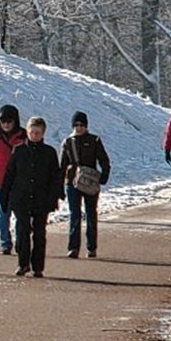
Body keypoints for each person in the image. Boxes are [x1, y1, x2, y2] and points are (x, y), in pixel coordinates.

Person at [0, 116, 62, 277]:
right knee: (22, 232)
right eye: (32, 132)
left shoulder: (49, 152)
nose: (34, 135)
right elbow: (9, 175)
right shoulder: (18, 150)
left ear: (43, 133)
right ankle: (23, 264)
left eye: (38, 132)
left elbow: (55, 177)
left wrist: (54, 197)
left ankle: (38, 267)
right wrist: (5, 196)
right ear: (27, 132)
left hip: (41, 199)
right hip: (21, 198)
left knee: (40, 234)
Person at [59, 111, 111, 259]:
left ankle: (91, 247)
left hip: (90, 182)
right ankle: (73, 248)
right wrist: (60, 187)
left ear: (86, 125)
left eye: (82, 125)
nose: (79, 127)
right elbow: (62, 166)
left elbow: (104, 160)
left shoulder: (94, 140)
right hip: (72, 183)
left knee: (91, 214)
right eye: (76, 125)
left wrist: (104, 175)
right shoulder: (68, 142)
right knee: (74, 214)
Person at [0, 105, 27, 256]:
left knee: (21, 216)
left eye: (9, 121)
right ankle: (5, 243)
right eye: (3, 121)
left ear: (15, 121)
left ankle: (21, 242)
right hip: (1, 184)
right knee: (3, 215)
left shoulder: (24, 137)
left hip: (20, 184)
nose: (6, 124)